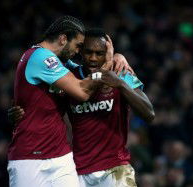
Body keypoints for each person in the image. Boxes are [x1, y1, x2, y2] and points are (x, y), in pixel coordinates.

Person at [9, 28, 155, 186]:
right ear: (80, 52)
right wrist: (17, 111)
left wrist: (120, 84)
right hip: (77, 171)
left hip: (115, 167)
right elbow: (38, 95)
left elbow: (149, 114)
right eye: (88, 52)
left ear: (107, 53)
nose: (93, 58)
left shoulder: (120, 73)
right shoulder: (71, 77)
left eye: (99, 53)